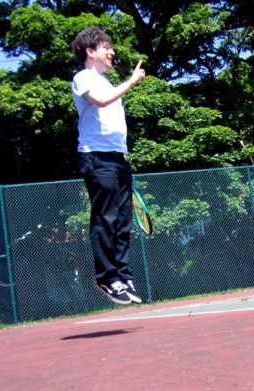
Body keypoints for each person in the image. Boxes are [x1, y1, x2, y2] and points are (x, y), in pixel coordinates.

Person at [70, 27, 146, 305]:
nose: (112, 52)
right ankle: (106, 277)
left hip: (118, 157)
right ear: (90, 52)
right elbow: (101, 101)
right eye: (106, 47)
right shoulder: (83, 78)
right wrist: (132, 81)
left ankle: (123, 276)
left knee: (123, 218)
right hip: (96, 157)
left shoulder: (105, 81)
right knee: (106, 217)